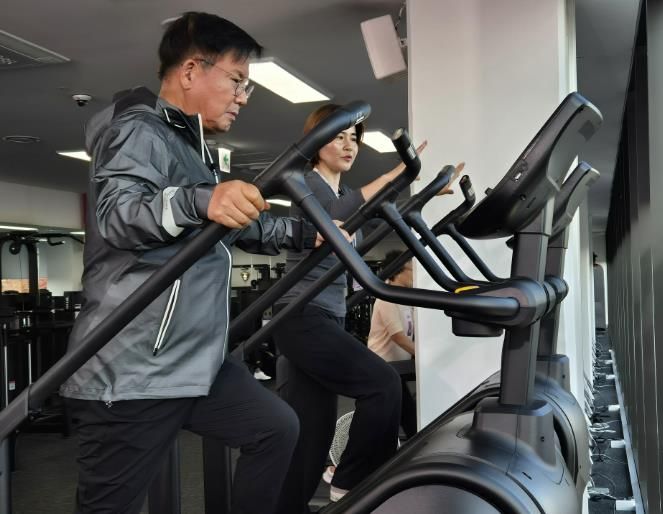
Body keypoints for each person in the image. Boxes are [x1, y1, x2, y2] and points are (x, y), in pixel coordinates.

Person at [59, 12, 326, 514]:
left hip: (191, 362)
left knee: (275, 428)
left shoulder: (190, 149)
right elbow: (119, 215)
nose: (243, 97)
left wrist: (308, 234)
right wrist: (200, 200)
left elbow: (233, 224)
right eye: (237, 81)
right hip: (133, 370)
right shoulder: (138, 131)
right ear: (189, 71)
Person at [272, 103, 427, 513]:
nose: (349, 145)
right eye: (339, 136)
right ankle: (350, 482)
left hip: (328, 316)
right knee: (382, 384)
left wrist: (422, 196)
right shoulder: (306, 184)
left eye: (354, 138)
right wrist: (395, 175)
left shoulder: (341, 194)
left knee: (312, 437)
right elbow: (333, 217)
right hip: (301, 315)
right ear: (317, 140)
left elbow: (367, 218)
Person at [367, 252, 417, 438]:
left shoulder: (405, 298)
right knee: (405, 415)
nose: (414, 275)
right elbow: (398, 336)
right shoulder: (387, 297)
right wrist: (421, 355)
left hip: (399, 367)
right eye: (412, 270)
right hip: (383, 365)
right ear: (399, 271)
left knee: (405, 413)